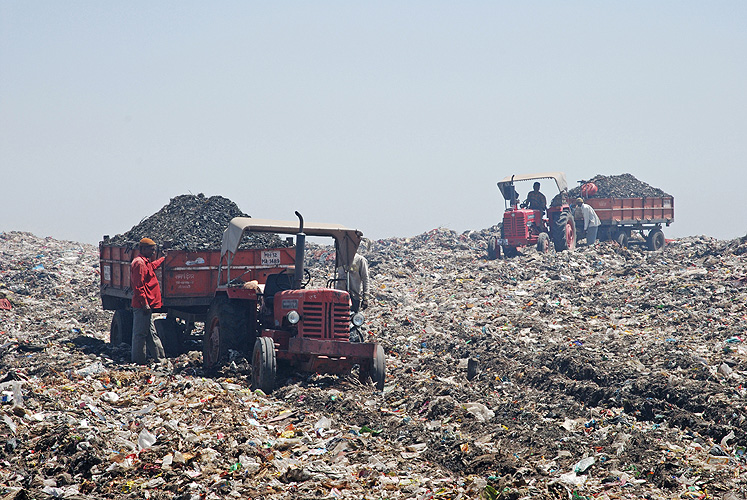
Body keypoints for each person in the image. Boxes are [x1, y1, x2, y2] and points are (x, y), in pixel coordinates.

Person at [130, 237, 166, 364]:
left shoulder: (146, 262)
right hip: (142, 305)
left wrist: (163, 259)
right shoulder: (139, 263)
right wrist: (144, 303)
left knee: (151, 333)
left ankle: (160, 360)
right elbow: (138, 286)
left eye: (154, 250)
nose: (153, 252)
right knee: (140, 334)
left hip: (147, 305)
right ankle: (138, 361)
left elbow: (152, 267)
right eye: (151, 249)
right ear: (143, 249)